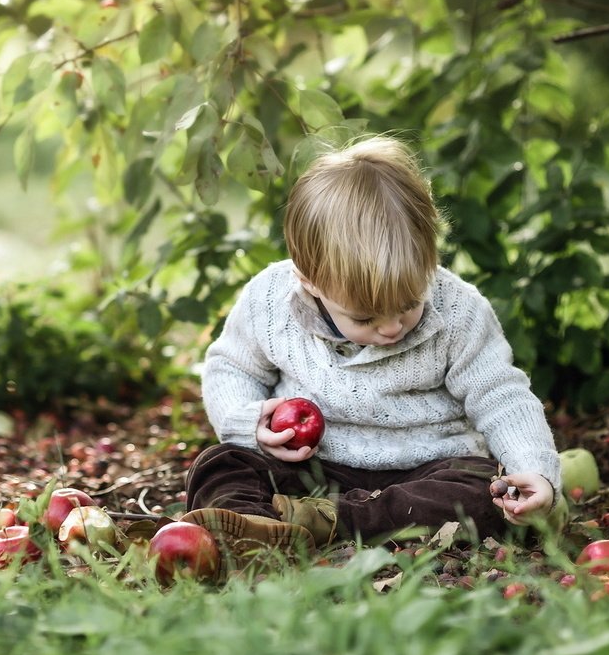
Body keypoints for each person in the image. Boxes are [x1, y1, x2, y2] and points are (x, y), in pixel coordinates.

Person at [180, 135, 561, 566]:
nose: (393, 327)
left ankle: (321, 523)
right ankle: (250, 527)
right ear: (310, 281)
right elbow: (231, 368)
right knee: (220, 463)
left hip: (424, 472)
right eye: (364, 318)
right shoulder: (270, 301)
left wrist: (534, 469)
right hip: (312, 467)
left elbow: (501, 396)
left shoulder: (460, 311)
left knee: (481, 493)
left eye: (409, 305)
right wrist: (252, 424)